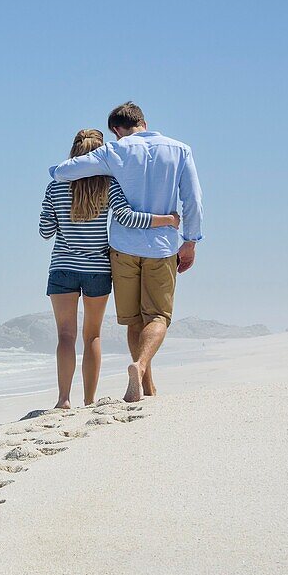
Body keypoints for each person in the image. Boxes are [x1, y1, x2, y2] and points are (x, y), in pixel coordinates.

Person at [49, 102, 203, 402]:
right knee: (157, 317)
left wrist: (55, 172)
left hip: (122, 250)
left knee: (133, 320)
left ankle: (146, 383)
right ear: (143, 121)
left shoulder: (115, 152)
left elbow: (67, 171)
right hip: (162, 247)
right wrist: (190, 240)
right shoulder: (179, 149)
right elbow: (193, 199)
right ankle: (141, 367)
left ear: (117, 130)